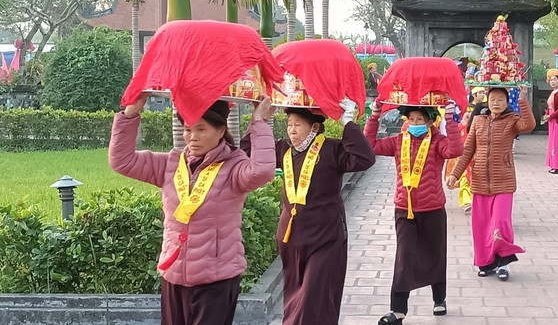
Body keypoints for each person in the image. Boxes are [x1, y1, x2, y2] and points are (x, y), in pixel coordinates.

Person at [109, 96, 277, 325]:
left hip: (216, 280)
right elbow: (122, 161)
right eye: (188, 129)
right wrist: (131, 113)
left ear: (221, 131)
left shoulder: (234, 168)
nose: (192, 137)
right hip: (174, 274)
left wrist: (259, 122)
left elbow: (263, 172)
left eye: (201, 129)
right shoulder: (171, 164)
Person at [240, 102, 375, 325]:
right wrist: (258, 120)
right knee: (295, 295)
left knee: (315, 296)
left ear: (314, 127)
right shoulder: (283, 148)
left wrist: (348, 122)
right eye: (289, 125)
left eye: (297, 125)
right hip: (291, 237)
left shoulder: (332, 149)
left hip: (326, 237)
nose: (291, 130)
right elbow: (247, 155)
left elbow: (365, 159)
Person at [365, 101, 463, 325]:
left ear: (430, 121)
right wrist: (375, 115)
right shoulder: (399, 141)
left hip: (433, 208)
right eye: (411, 119)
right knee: (404, 257)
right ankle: (398, 310)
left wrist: (449, 117)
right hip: (404, 209)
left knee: (435, 254)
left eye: (420, 119)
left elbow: (456, 150)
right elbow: (370, 145)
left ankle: (439, 299)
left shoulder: (438, 142)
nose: (415, 123)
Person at [447, 86, 536, 281]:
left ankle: (503, 263)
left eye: (501, 100)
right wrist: (455, 174)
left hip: (503, 181)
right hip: (479, 181)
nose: (496, 103)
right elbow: (467, 151)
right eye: (493, 99)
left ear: (507, 102)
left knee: (501, 222)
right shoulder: (478, 121)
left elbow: (529, 124)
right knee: (481, 226)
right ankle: (486, 263)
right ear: (487, 101)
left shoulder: (512, 121)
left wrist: (522, 99)